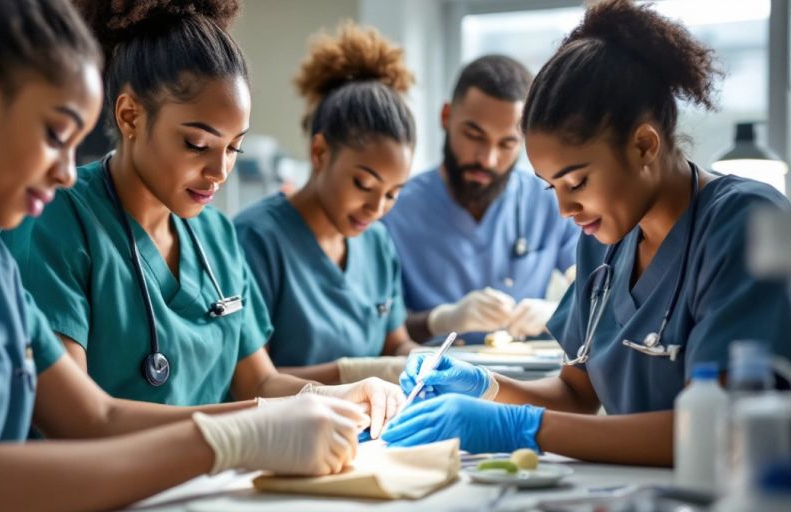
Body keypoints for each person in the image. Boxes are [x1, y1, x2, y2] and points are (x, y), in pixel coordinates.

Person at [0, 1, 369, 509]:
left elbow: (95, 419)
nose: (63, 173)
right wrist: (229, 441)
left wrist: (263, 420)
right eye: (56, 135)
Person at [381, 0, 791, 466]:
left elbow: (724, 432)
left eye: (576, 182)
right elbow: (576, 393)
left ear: (643, 145)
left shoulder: (745, 225)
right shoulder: (603, 241)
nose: (563, 208)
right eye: (551, 186)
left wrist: (525, 428)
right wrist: (486, 386)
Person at [0, 1, 403, 434]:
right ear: (130, 115)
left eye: (233, 147)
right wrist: (254, 423)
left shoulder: (217, 236)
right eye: (196, 143)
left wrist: (333, 395)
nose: (220, 171)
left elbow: (259, 381)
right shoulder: (57, 217)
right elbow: (77, 419)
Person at [234, 23, 419, 385]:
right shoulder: (255, 240)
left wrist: (418, 362)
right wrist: (355, 374)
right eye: (363, 184)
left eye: (393, 193)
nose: (376, 207)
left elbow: (395, 343)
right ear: (319, 152)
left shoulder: (377, 243)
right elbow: (252, 382)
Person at [381, 55, 580, 344]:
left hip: (527, 378)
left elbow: (597, 289)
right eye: (474, 135)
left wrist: (561, 312)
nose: (487, 159)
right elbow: (383, 331)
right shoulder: (394, 209)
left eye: (507, 143)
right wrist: (442, 319)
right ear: (446, 117)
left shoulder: (549, 202)